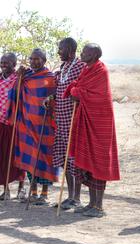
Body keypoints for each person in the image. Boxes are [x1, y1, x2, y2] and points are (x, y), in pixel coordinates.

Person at [63, 43, 120, 217]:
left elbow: (98, 97)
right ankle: (91, 203)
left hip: (99, 122)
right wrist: (76, 90)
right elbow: (78, 89)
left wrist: (77, 91)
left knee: (99, 162)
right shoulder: (86, 70)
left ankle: (99, 206)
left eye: (85, 52)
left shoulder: (101, 71)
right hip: (85, 120)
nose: (82, 54)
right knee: (87, 160)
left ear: (95, 55)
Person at [8, 48, 58, 205]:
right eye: (31, 59)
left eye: (37, 59)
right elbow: (13, 95)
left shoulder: (50, 78)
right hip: (27, 123)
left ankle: (44, 194)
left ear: (44, 60)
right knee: (30, 157)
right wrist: (19, 77)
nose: (34, 61)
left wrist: (51, 103)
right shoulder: (26, 76)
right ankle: (33, 191)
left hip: (44, 124)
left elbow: (56, 99)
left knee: (45, 158)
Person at [48, 38, 85, 210]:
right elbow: (59, 89)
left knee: (74, 160)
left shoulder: (79, 66)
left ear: (69, 49)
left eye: (60, 49)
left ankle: (76, 197)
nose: (58, 52)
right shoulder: (62, 68)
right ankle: (69, 195)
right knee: (64, 159)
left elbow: (82, 89)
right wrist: (51, 98)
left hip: (74, 121)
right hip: (61, 121)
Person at [0, 53, 25, 200]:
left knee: (17, 155)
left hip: (16, 122)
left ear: (13, 64)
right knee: (2, 156)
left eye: (6, 62)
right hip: (1, 122)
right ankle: (6, 190)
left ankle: (21, 188)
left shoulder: (19, 78)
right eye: (2, 62)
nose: (3, 64)